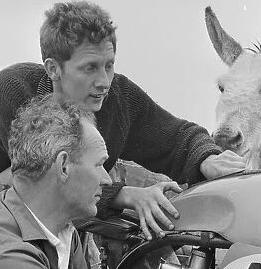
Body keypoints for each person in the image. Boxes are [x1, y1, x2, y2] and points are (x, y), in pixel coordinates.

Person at [0, 1, 245, 240]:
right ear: (53, 69)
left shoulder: (118, 98)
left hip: (66, 233)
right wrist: (122, 195)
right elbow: (33, 181)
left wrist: (207, 158)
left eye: (109, 65)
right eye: (90, 68)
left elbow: (176, 137)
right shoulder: (12, 92)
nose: (104, 81)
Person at [0, 96, 110, 268]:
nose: (108, 180)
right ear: (64, 166)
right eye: (99, 164)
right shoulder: (12, 256)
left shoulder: (62, 229)